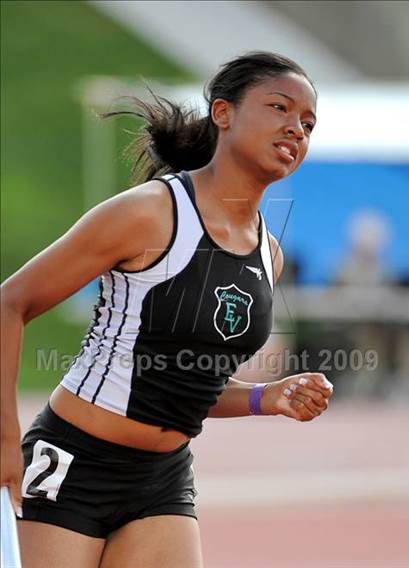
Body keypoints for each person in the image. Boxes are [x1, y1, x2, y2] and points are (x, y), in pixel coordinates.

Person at [1, 51, 333, 568]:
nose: (296, 129)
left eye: (307, 124)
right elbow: (9, 303)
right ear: (223, 113)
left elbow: (187, 381)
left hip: (163, 479)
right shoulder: (149, 213)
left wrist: (266, 398)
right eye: (279, 108)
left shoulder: (270, 254)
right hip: (74, 460)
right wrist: (3, 440)